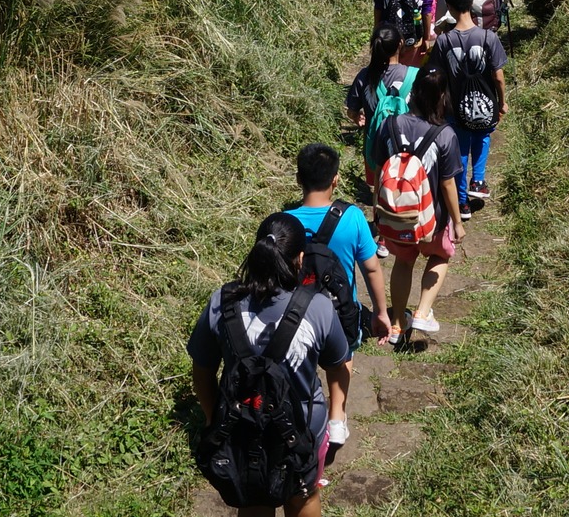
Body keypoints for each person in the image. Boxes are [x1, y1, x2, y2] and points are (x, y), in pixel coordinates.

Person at [189, 213, 352, 515]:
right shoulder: (318, 308)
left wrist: (214, 419)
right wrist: (336, 414)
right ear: (300, 259)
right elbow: (339, 365)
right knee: (303, 494)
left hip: (242, 425)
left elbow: (202, 372)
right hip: (301, 428)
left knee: (253, 500)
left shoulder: (221, 302)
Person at [284, 143, 390, 462]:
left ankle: (301, 416)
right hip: (338, 310)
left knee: (299, 364)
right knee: (341, 358)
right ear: (336, 180)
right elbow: (371, 268)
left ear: (299, 178)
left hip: (294, 314)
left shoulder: (283, 221)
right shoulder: (353, 217)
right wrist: (381, 313)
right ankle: (337, 416)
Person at [368, 70, 463, 343]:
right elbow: (447, 184)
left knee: (403, 261)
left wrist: (378, 210)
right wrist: (456, 222)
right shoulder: (445, 135)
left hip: (398, 214)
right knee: (440, 256)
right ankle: (422, 311)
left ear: (414, 93)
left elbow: (379, 169)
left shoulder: (391, 124)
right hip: (432, 217)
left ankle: (397, 323)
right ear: (442, 97)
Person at [431, 0, 509, 215]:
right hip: (486, 103)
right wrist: (501, 102)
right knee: (483, 137)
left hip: (456, 108)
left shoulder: (444, 41)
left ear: (451, 8)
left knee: (460, 151)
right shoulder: (489, 38)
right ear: (471, 4)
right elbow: (498, 76)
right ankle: (479, 180)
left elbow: (437, 76)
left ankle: (462, 201)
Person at [346, 24, 416, 259]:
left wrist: (360, 118)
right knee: (405, 184)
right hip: (408, 143)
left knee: (379, 187)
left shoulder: (365, 77)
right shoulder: (413, 76)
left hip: (375, 143)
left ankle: (383, 233)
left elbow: (352, 111)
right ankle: (407, 225)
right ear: (399, 44)